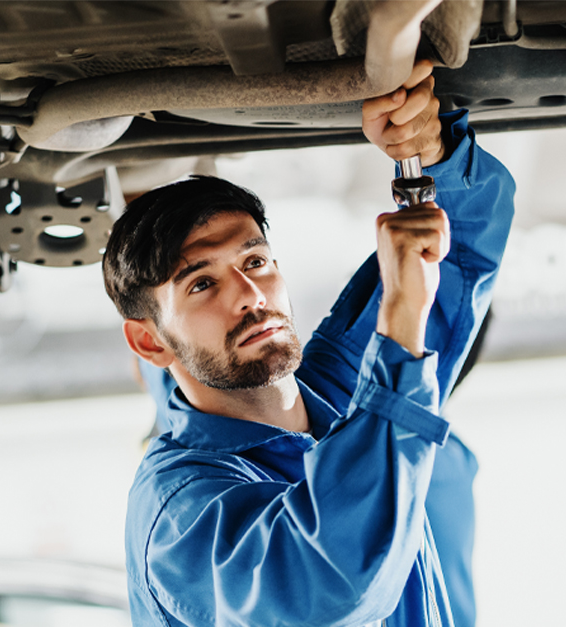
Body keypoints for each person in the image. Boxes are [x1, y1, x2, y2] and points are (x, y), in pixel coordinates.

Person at [102, 61, 515, 627]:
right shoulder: (179, 515)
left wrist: (432, 150)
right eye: (202, 284)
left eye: (255, 261)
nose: (249, 294)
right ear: (148, 343)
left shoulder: (340, 392)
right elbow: (327, 591)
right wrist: (398, 318)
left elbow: (457, 249)